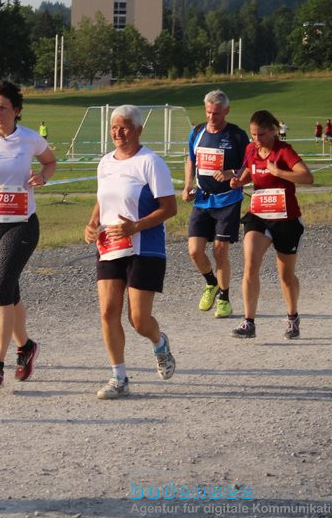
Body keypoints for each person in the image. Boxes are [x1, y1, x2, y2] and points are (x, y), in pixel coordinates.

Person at [0, 81, 57, 388]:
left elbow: (50, 162)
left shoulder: (30, 139)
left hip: (21, 223)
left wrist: (42, 176)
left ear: (16, 111)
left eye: (3, 107)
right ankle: (27, 346)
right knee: (7, 290)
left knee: (0, 290)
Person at [84, 105, 178, 399]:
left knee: (138, 320)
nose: (118, 133)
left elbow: (169, 208)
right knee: (108, 312)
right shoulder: (105, 163)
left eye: (124, 127)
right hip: (111, 246)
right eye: (114, 127)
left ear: (138, 130)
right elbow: (103, 199)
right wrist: (91, 223)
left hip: (145, 247)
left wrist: (136, 226)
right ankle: (119, 377)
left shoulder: (151, 162)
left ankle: (159, 343)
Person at [230, 110, 314, 340]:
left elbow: (307, 177)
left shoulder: (284, 151)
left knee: (286, 276)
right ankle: (249, 322)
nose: (257, 140)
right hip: (258, 214)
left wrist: (279, 172)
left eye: (262, 135)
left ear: (273, 131)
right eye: (254, 135)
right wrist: (238, 180)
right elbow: (249, 172)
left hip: (286, 219)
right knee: (250, 263)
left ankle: (292, 316)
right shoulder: (251, 150)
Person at [182, 90, 250, 318]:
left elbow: (249, 166)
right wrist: (187, 185)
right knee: (194, 251)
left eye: (217, 114)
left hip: (228, 201)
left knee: (220, 250)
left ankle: (224, 298)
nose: (212, 118)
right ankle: (210, 282)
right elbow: (191, 159)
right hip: (202, 200)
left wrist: (232, 173)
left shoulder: (238, 136)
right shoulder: (198, 132)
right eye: (209, 113)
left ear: (227, 111)